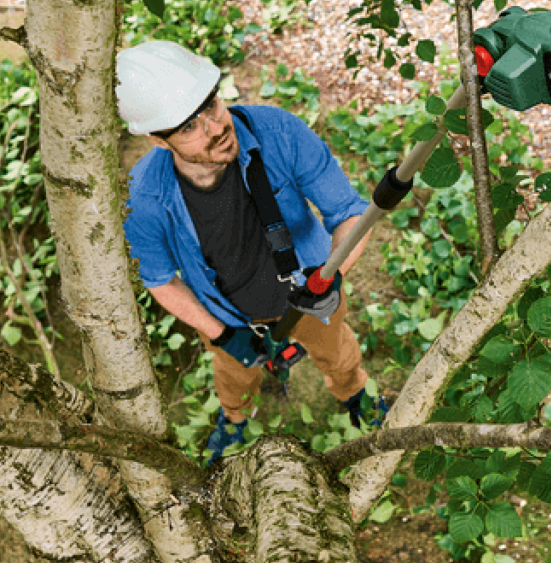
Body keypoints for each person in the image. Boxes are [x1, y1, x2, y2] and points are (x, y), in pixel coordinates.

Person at [117, 40, 386, 466]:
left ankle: (356, 395)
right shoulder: (143, 197)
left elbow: (350, 213)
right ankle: (237, 418)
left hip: (311, 292)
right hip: (227, 315)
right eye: (188, 126)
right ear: (158, 140)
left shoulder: (279, 133)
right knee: (233, 376)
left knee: (337, 353)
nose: (214, 127)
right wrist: (223, 334)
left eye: (211, 105)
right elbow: (158, 279)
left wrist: (332, 275)